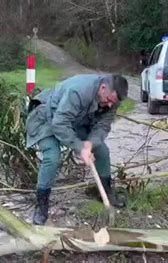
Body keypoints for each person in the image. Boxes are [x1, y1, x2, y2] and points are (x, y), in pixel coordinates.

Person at [26, 74, 128, 225]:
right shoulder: (79, 91)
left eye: (114, 103)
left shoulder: (112, 100)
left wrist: (90, 144)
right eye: (109, 101)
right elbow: (60, 124)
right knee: (52, 156)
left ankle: (106, 193)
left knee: (102, 151)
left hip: (75, 122)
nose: (110, 106)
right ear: (103, 88)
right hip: (48, 119)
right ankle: (41, 206)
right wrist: (80, 147)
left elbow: (102, 125)